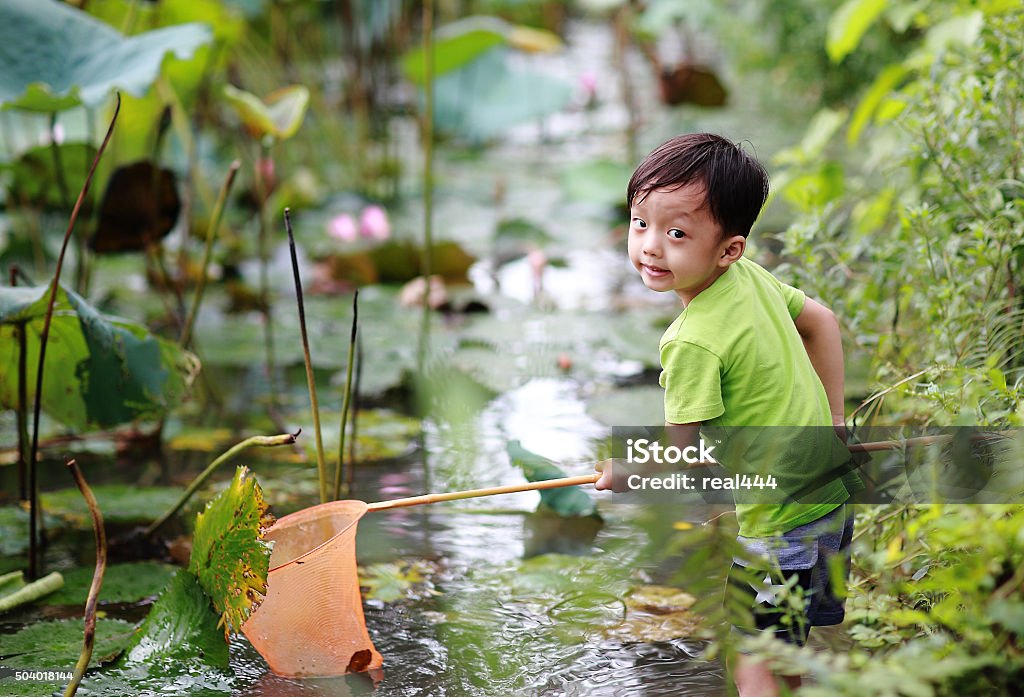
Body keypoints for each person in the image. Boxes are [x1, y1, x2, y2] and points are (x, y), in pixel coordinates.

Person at [594, 133, 863, 697]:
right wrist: (835, 424)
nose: (650, 247)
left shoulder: (691, 341)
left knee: (752, 655)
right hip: (833, 494)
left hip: (780, 518)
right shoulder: (750, 279)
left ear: (728, 248)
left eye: (676, 233)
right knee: (784, 640)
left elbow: (681, 455)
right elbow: (824, 321)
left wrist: (625, 474)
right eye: (640, 223)